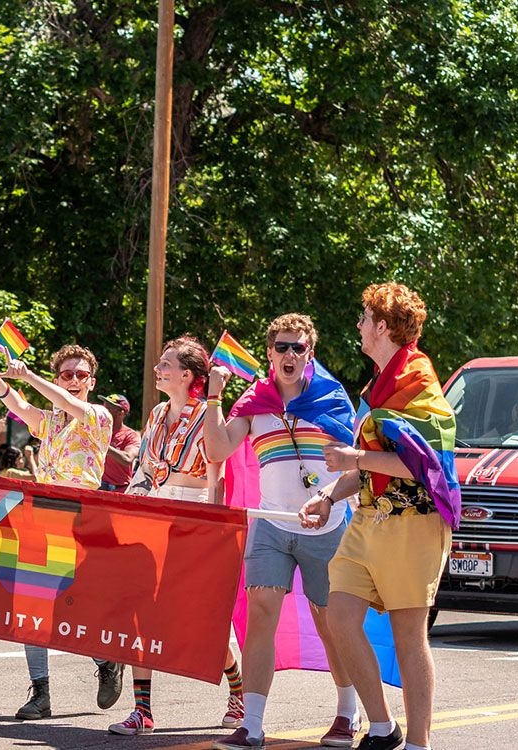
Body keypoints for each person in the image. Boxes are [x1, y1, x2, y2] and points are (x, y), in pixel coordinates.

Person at [299, 282, 462, 750]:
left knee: (408, 636)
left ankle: (419, 742)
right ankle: (383, 727)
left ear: (383, 326)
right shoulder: (377, 384)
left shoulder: (418, 380)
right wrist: (329, 496)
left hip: (413, 524)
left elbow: (425, 463)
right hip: (367, 520)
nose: (358, 326)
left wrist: (354, 460)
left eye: (364, 318)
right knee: (340, 618)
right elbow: (364, 463)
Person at [204, 314, 362, 749]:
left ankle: (347, 712)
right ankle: (252, 723)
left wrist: (327, 497)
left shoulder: (330, 397)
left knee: (330, 625)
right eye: (281, 347)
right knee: (260, 618)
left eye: (298, 347)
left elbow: (356, 461)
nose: (289, 354)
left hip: (326, 526)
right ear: (269, 353)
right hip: (271, 523)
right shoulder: (254, 401)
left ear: (310, 353)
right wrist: (214, 396)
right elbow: (217, 449)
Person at [0, 342, 125, 720]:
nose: (73, 381)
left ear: (91, 381)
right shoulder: (50, 421)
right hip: (42, 512)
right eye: (66, 374)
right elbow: (19, 407)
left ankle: (106, 660)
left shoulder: (97, 415)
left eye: (80, 375)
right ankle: (41, 693)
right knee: (31, 603)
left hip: (82, 515)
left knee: (76, 603)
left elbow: (70, 406)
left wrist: (26, 375)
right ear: (58, 378)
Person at [110, 336, 245, 736]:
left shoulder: (207, 413)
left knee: (200, 620)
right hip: (154, 512)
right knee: (141, 611)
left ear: (187, 375)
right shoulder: (154, 416)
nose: (158, 369)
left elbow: (216, 476)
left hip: (194, 516)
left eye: (166, 365)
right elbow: (147, 470)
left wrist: (213, 528)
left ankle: (239, 691)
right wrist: (134, 495)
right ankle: (143, 710)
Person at [99, 394, 141, 492]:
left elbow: (127, 458)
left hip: (119, 490)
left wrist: (102, 445)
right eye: (104, 407)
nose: (104, 412)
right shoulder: (98, 430)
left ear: (121, 413)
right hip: (98, 487)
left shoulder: (131, 435)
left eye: (109, 409)